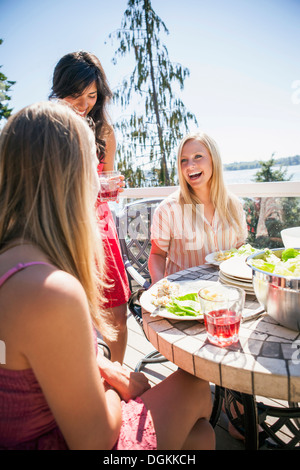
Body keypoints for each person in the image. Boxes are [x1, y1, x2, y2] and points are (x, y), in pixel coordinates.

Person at [0, 102, 215, 450]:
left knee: (200, 437)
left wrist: (102, 364)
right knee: (195, 386)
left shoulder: (13, 264)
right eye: (91, 170)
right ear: (72, 178)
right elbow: (95, 440)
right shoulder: (48, 290)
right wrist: (116, 387)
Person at [49, 51, 130, 363]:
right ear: (59, 92)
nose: (84, 105)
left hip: (101, 230)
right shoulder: (50, 130)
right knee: (68, 317)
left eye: (92, 96)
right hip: (62, 232)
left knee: (117, 315)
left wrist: (112, 188)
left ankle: (117, 379)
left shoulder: (105, 133)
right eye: (75, 96)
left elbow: (106, 184)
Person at [149, 131, 248, 284]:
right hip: (185, 295)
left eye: (198, 156)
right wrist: (157, 286)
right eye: (183, 160)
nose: (190, 165)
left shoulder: (234, 205)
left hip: (228, 290)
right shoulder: (168, 209)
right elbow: (157, 255)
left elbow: (240, 248)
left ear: (213, 160)